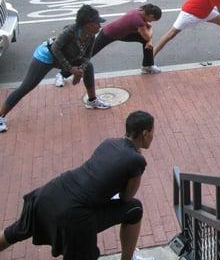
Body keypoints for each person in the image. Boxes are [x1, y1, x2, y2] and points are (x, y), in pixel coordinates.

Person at [0, 111, 154, 260]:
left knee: (15, 231)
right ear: (145, 134)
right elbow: (126, 197)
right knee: (134, 208)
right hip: (74, 213)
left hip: (51, 193)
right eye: (153, 132)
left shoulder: (108, 143)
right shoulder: (137, 161)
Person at [0, 5, 110, 133]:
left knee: (89, 67)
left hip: (66, 57)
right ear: (88, 24)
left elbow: (87, 56)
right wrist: (70, 69)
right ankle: (1, 116)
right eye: (97, 23)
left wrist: (80, 71)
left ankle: (92, 101)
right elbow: (55, 48)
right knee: (27, 86)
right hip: (47, 56)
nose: (100, 26)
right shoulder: (70, 31)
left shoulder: (91, 35)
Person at [55, 4, 163, 87]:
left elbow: (148, 30)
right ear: (151, 15)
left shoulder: (139, 11)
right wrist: (150, 38)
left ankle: (147, 66)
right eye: (153, 19)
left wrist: (149, 39)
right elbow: (148, 36)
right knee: (88, 54)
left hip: (122, 34)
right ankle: (62, 74)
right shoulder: (138, 20)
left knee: (147, 43)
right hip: (108, 34)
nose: (151, 21)